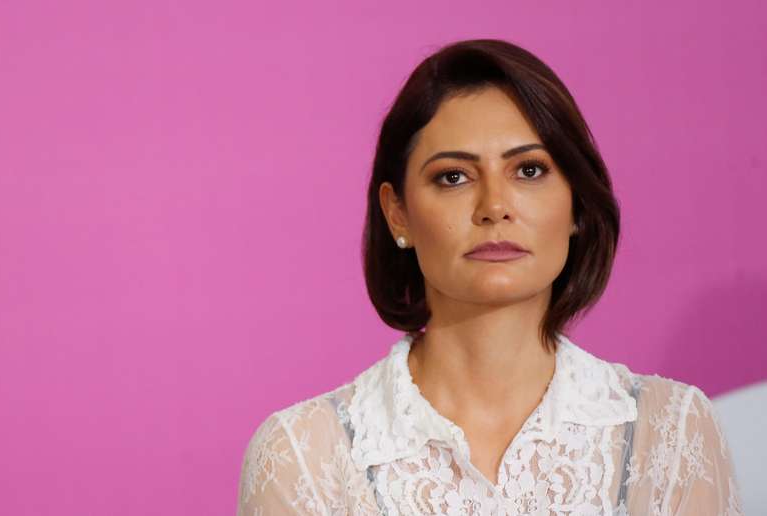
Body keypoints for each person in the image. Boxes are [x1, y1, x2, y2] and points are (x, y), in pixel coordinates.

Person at [235, 38, 744, 515]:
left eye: (528, 171)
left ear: (576, 206)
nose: (494, 207)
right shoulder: (305, 454)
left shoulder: (672, 430)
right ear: (398, 214)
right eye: (453, 177)